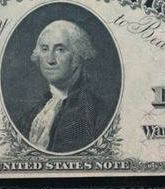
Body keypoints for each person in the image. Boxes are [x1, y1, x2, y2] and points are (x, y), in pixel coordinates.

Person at [16, 20, 110, 153]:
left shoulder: (96, 113)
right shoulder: (29, 118)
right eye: (44, 49)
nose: (50, 60)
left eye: (60, 50)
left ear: (78, 55)